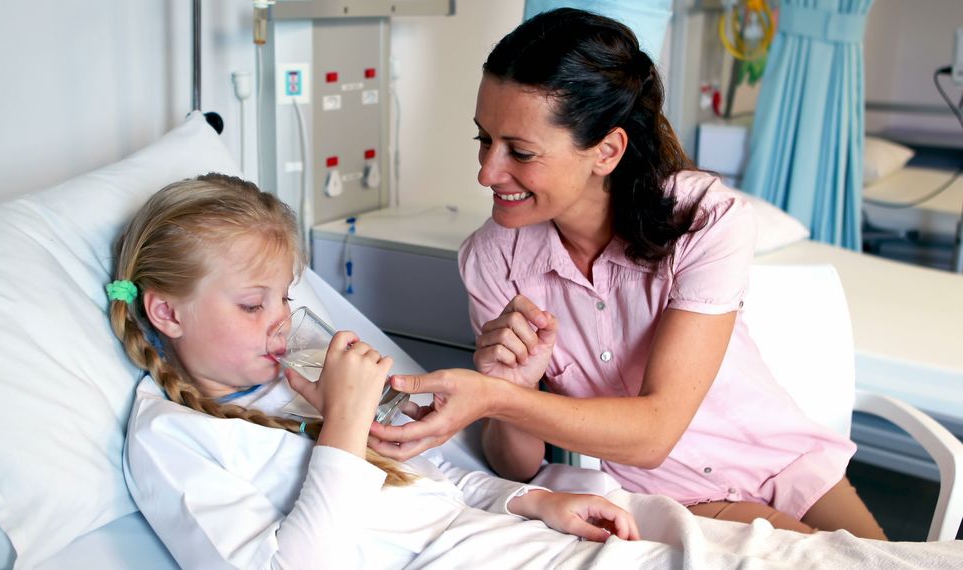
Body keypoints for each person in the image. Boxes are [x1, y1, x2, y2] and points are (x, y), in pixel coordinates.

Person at [369, 8, 887, 540]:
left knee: (889, 559)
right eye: (484, 140)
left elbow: (656, 429)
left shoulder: (704, 219)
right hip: (676, 499)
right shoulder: (493, 259)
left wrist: (495, 397)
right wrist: (511, 387)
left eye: (519, 152)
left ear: (606, 151)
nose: (487, 172)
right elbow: (516, 467)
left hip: (788, 462)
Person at [106, 173, 640, 569]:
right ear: (167, 313)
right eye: (252, 306)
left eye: (286, 299)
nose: (282, 324)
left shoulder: (292, 376)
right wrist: (344, 421)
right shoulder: (170, 436)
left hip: (495, 534)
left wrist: (536, 502)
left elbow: (430, 480)